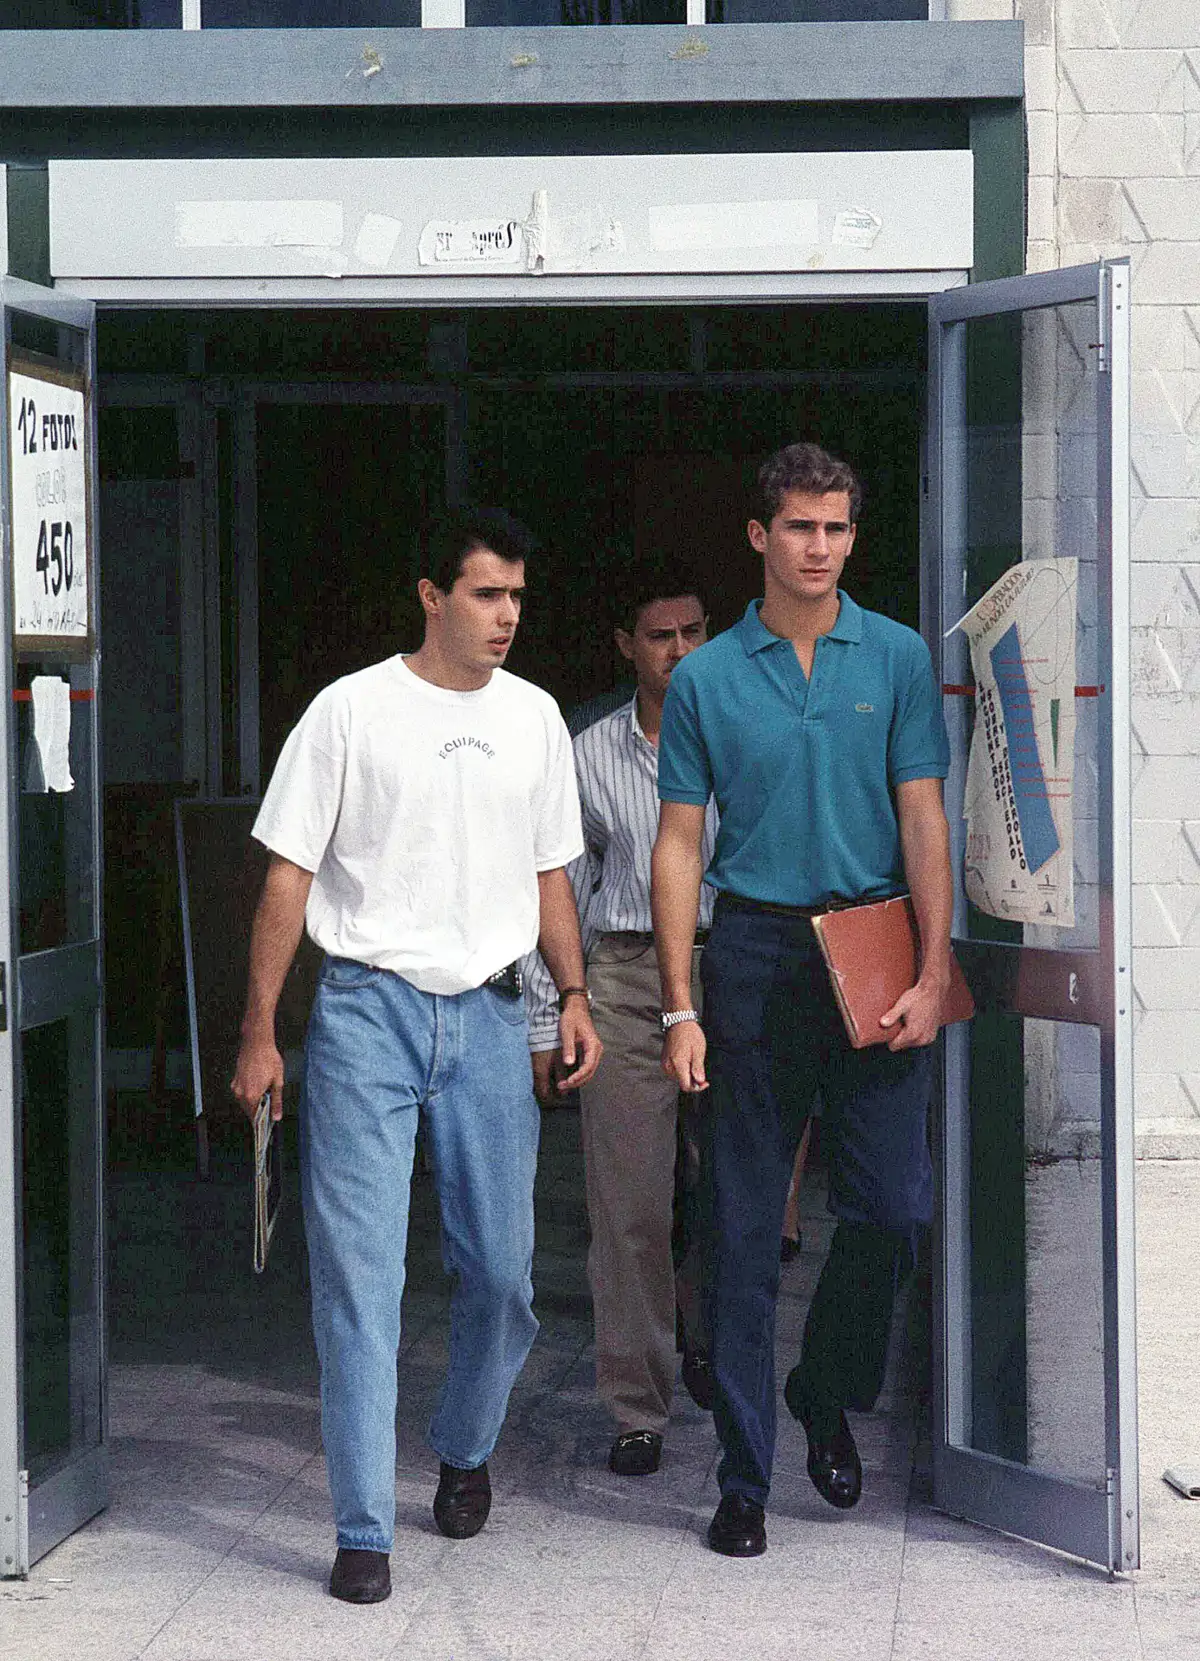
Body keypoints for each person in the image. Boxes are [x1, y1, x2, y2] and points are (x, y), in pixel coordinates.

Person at [230, 507, 603, 1604]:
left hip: (490, 1013)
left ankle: (465, 1441)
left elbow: (550, 873)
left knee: (504, 1273)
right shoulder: (350, 711)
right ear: (432, 596)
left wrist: (573, 994)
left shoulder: (535, 718)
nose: (507, 615)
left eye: (518, 596)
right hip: (365, 1013)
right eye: (487, 594)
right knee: (361, 1278)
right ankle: (362, 1528)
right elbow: (289, 875)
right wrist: (258, 1028)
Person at [651, 441, 952, 1558]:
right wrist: (678, 1003)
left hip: (875, 942)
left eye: (836, 528)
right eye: (799, 527)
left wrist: (933, 968)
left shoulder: (900, 656)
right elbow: (679, 844)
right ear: (759, 535)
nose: (819, 547)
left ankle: (823, 1387)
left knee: (894, 1209)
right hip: (757, 952)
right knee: (739, 1229)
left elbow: (923, 815)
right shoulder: (708, 677)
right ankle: (744, 1479)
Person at [525, 571, 719, 1476]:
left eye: (693, 631)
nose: (680, 651)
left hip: (728, 962)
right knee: (629, 1203)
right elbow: (557, 888)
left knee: (731, 1192)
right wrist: (549, 1012)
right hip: (627, 970)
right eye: (660, 636)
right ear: (625, 645)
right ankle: (637, 1405)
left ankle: (711, 1343)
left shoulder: (737, 733)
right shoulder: (587, 753)